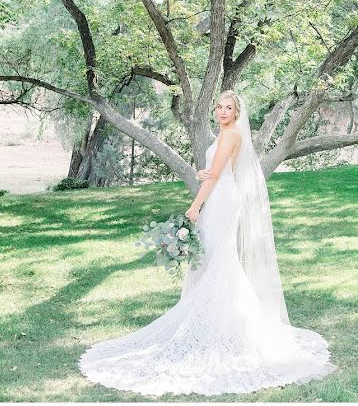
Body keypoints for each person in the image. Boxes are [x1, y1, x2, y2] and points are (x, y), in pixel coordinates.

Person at [79, 90, 337, 396]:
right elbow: (214, 172)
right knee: (214, 258)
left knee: (218, 259)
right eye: (219, 106)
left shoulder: (229, 137)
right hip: (221, 196)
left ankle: (229, 325)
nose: (222, 111)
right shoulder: (225, 135)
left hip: (221, 199)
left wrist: (195, 206)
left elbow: (214, 177)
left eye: (229, 108)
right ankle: (218, 322)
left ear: (237, 113)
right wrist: (206, 176)